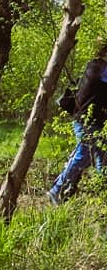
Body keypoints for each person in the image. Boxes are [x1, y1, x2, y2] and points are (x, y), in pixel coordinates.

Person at [48, 42, 107, 204]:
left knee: (101, 157)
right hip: (87, 122)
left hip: (90, 121)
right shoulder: (100, 69)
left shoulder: (96, 66)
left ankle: (101, 197)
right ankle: (57, 190)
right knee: (83, 157)